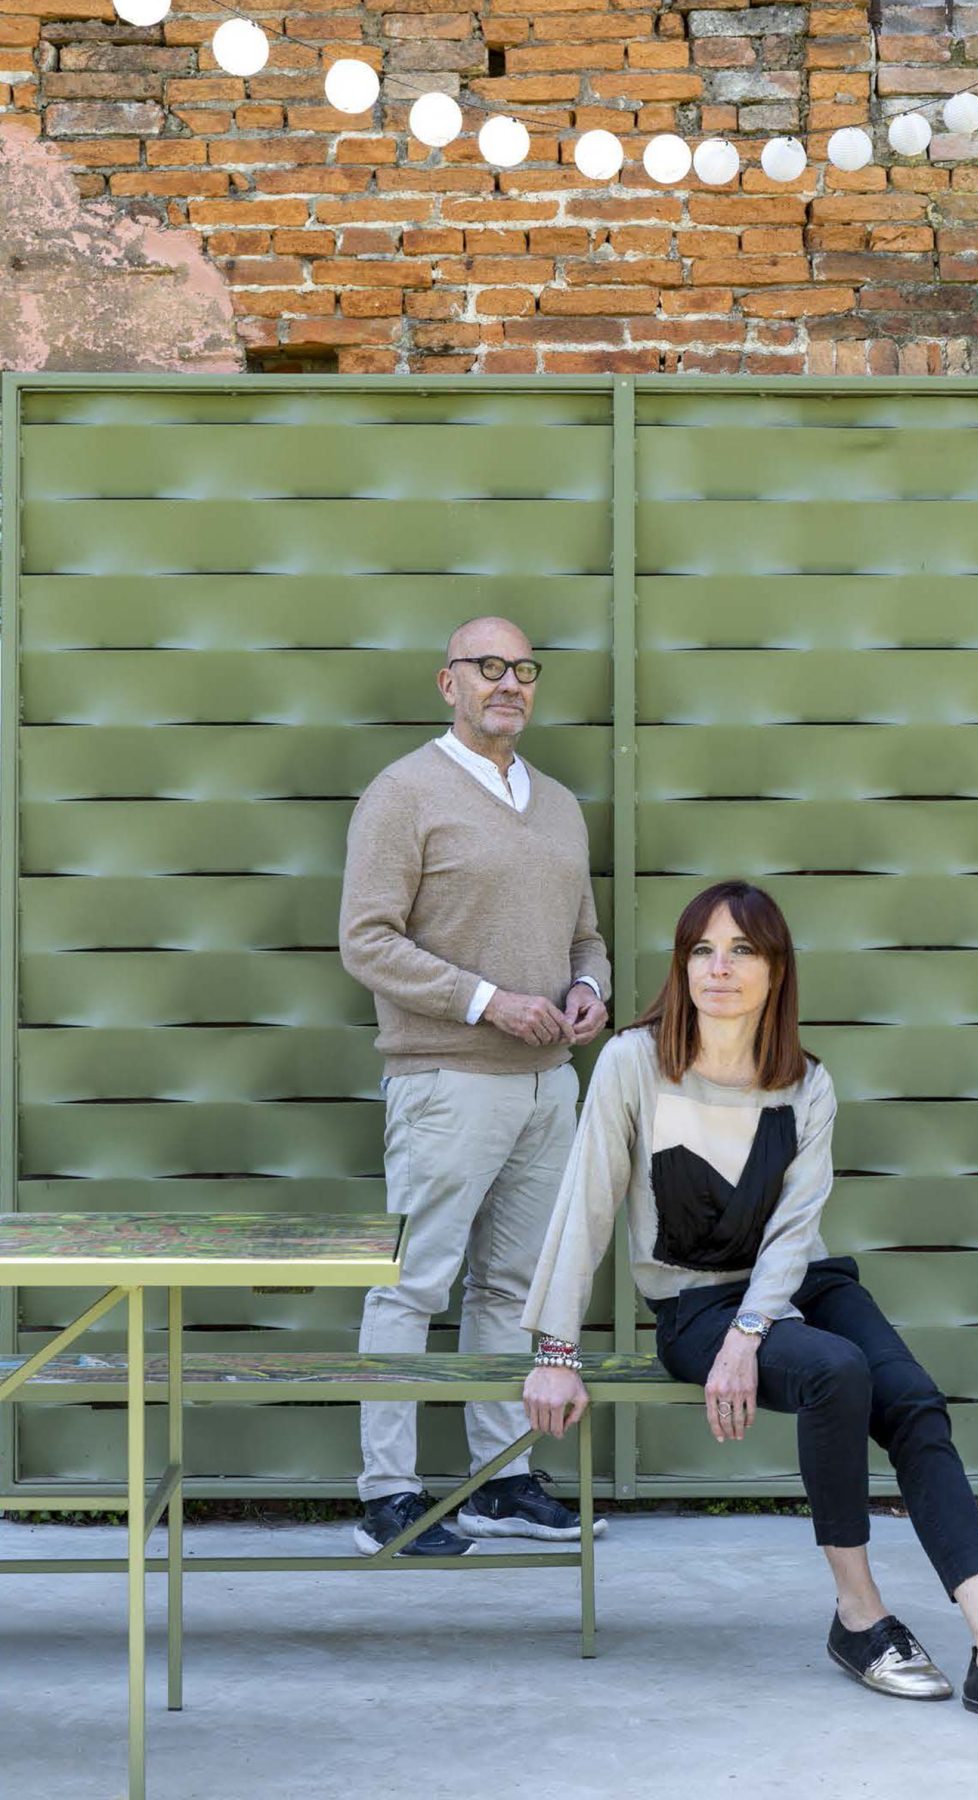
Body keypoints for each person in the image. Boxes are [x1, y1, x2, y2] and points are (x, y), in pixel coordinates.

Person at [521, 880, 978, 1737]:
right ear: (681, 966)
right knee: (834, 1370)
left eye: (741, 951)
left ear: (776, 970)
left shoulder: (805, 1083)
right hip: (692, 1303)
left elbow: (794, 1229)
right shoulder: (633, 1063)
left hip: (797, 1284)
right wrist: (555, 1353)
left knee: (912, 1400)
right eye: (701, 950)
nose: (718, 968)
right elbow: (586, 1203)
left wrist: (752, 1332)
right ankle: (859, 1617)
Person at [340, 615, 611, 1556]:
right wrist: (489, 1001)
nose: (508, 683)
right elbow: (366, 941)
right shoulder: (403, 794)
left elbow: (585, 935)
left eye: (523, 669)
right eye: (487, 666)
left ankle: (499, 1482)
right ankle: (387, 1495)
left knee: (513, 1288)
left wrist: (588, 989)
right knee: (413, 1286)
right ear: (446, 682)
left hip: (549, 1086)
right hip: (446, 1082)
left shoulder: (558, 804)